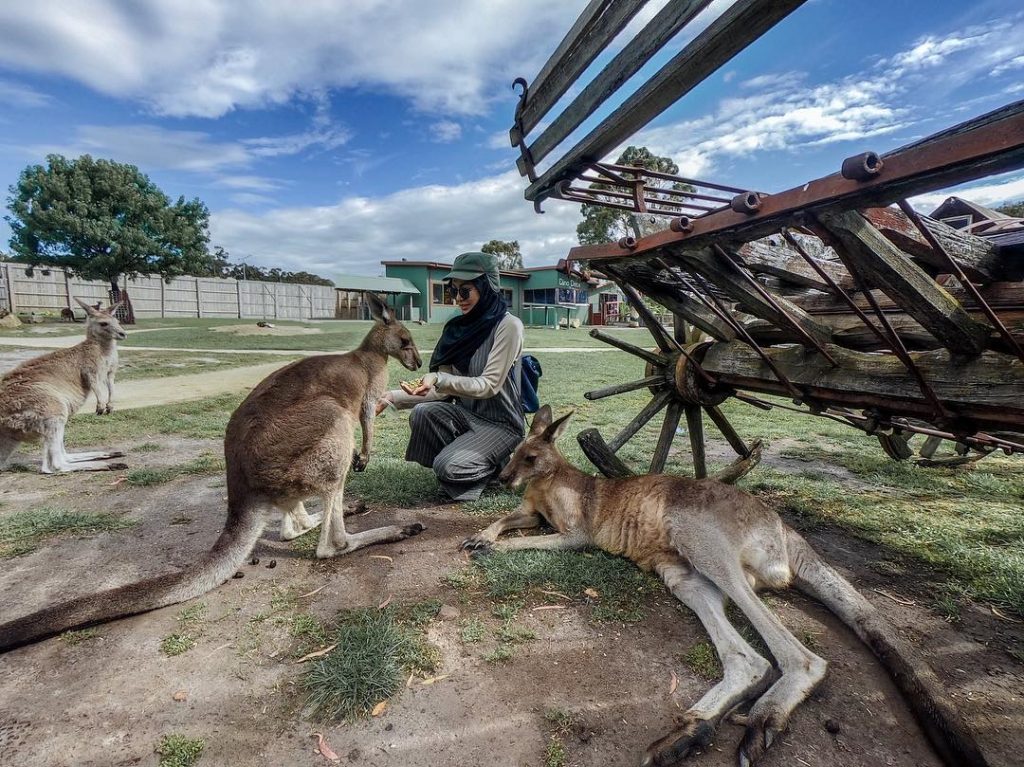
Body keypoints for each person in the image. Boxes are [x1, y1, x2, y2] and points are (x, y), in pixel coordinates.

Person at [376, 252, 525, 501]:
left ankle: (490, 468)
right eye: (453, 291)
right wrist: (392, 397)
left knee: (448, 468)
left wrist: (438, 378)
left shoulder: (509, 326)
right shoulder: (457, 329)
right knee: (423, 414)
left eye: (464, 291)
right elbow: (442, 391)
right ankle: (476, 460)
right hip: (468, 416)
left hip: (501, 424)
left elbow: (489, 384)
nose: (458, 299)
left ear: (486, 287)